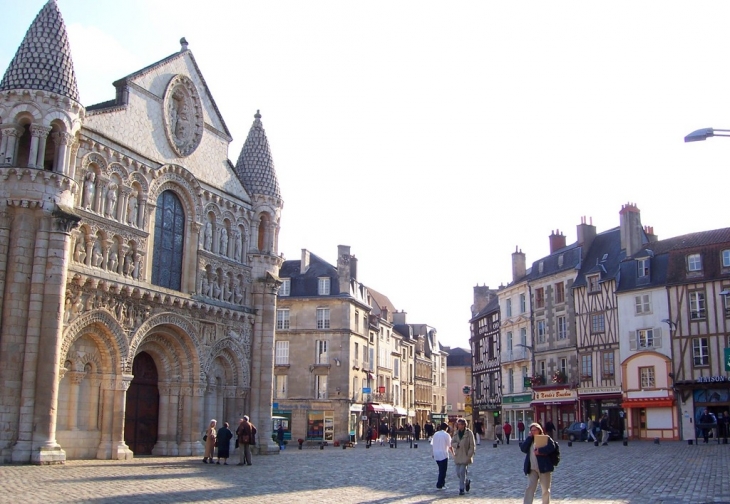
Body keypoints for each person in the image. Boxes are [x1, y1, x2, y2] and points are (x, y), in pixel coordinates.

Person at [521, 422, 557, 504]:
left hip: (544, 467)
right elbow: (523, 449)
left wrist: (540, 451)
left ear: (539, 430)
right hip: (532, 468)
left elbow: (552, 447)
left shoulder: (546, 438)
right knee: (530, 487)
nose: (533, 432)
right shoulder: (530, 440)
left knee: (545, 489)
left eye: (535, 430)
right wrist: (529, 438)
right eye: (531, 430)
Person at [451, 418, 476, 495]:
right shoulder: (456, 433)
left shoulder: (469, 433)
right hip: (458, 455)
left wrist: (469, 454)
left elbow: (472, 445)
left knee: (462, 472)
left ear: (464, 425)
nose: (459, 426)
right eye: (458, 424)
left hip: (465, 455)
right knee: (458, 473)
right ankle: (466, 481)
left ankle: (461, 489)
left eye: (461, 424)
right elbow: (452, 442)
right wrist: (456, 445)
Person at [432, 422, 453, 490]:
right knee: (443, 470)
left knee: (441, 469)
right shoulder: (446, 435)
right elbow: (450, 446)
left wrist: (433, 453)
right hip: (443, 454)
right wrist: (453, 453)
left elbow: (433, 444)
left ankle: (442, 483)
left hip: (436, 454)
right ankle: (439, 484)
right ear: (446, 428)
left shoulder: (435, 434)